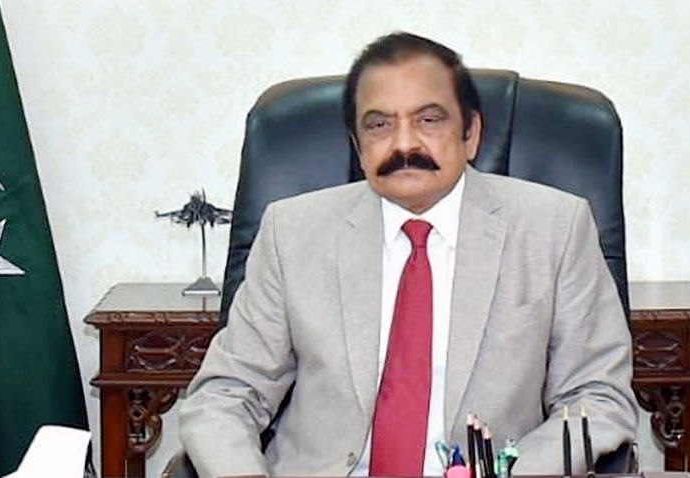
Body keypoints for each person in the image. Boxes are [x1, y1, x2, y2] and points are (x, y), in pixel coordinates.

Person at [180, 32, 638, 478]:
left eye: (429, 120)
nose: (403, 145)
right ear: (357, 146)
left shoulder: (554, 229)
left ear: (471, 134)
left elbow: (597, 397)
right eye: (379, 125)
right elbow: (226, 394)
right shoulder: (293, 232)